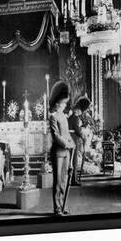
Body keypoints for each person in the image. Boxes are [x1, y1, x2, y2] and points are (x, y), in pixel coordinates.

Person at [49, 81, 75, 216]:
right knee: (58, 180)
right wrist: (67, 143)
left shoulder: (64, 117)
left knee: (64, 179)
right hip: (58, 152)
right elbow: (56, 135)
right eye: (64, 103)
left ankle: (63, 205)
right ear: (58, 103)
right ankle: (57, 208)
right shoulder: (53, 117)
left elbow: (66, 133)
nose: (65, 105)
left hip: (66, 152)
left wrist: (71, 142)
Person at [69, 96, 91, 185]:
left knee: (72, 161)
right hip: (74, 140)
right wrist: (83, 136)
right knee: (74, 161)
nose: (80, 112)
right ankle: (74, 180)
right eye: (79, 111)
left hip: (72, 139)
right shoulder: (75, 118)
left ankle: (72, 179)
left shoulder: (71, 117)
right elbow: (78, 130)